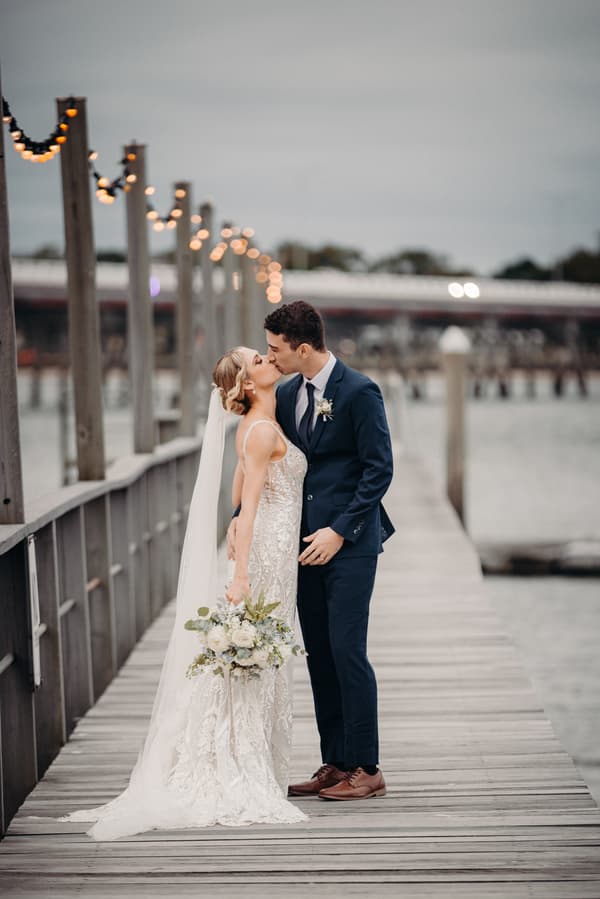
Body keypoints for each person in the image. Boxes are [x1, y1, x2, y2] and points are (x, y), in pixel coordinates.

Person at [58, 347, 307, 840]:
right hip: (267, 551)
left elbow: (236, 497)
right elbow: (249, 502)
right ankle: (240, 760)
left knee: (265, 653)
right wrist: (239, 572)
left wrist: (238, 526)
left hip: (271, 545)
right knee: (263, 650)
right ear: (248, 383)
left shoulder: (256, 427)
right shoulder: (260, 431)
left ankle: (250, 752)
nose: (268, 360)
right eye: (258, 359)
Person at [230, 301, 394, 801]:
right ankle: (336, 761)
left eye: (276, 349)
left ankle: (367, 767)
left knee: (348, 651)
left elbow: (378, 469)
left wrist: (340, 531)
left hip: (348, 545)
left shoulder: (360, 391)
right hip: (298, 549)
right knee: (319, 654)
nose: (271, 357)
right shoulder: (288, 392)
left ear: (303, 348)